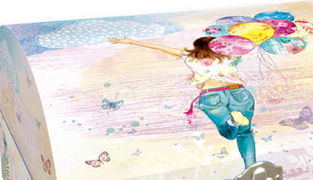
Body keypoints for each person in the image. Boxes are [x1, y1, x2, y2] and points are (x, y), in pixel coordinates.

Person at [107, 35, 256, 168]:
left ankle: (233, 122)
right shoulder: (232, 56)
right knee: (245, 133)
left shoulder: (191, 58)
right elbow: (252, 43)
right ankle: (250, 167)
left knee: (229, 133)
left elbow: (162, 48)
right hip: (239, 93)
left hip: (212, 95)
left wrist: (132, 42)